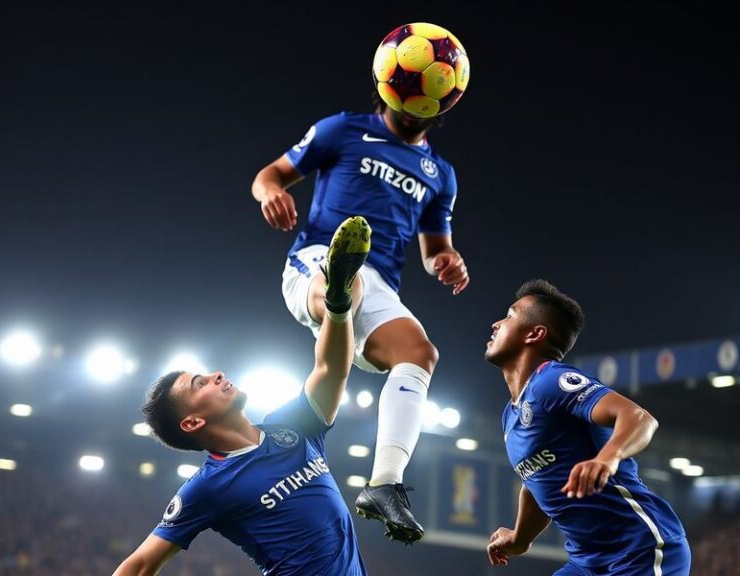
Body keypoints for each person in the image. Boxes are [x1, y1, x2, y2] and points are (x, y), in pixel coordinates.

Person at [251, 97, 469, 544]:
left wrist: (447, 260)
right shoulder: (340, 129)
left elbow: (434, 251)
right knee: (344, 285)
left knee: (420, 354)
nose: (411, 113)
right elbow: (269, 174)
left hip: (382, 283)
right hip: (313, 256)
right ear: (385, 89)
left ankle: (384, 483)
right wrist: (272, 192)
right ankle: (336, 289)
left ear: (443, 104)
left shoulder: (440, 175)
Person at [112, 216, 372, 576]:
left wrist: (338, 305)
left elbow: (330, 369)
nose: (216, 375)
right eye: (199, 384)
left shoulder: (292, 426)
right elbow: (140, 565)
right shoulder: (207, 487)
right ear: (192, 422)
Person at [484, 279, 691, 575]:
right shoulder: (510, 415)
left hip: (640, 550)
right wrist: (519, 538)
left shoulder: (551, 382)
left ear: (535, 334)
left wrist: (607, 458)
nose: (496, 323)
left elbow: (639, 418)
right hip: (587, 562)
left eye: (510, 314)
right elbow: (537, 481)